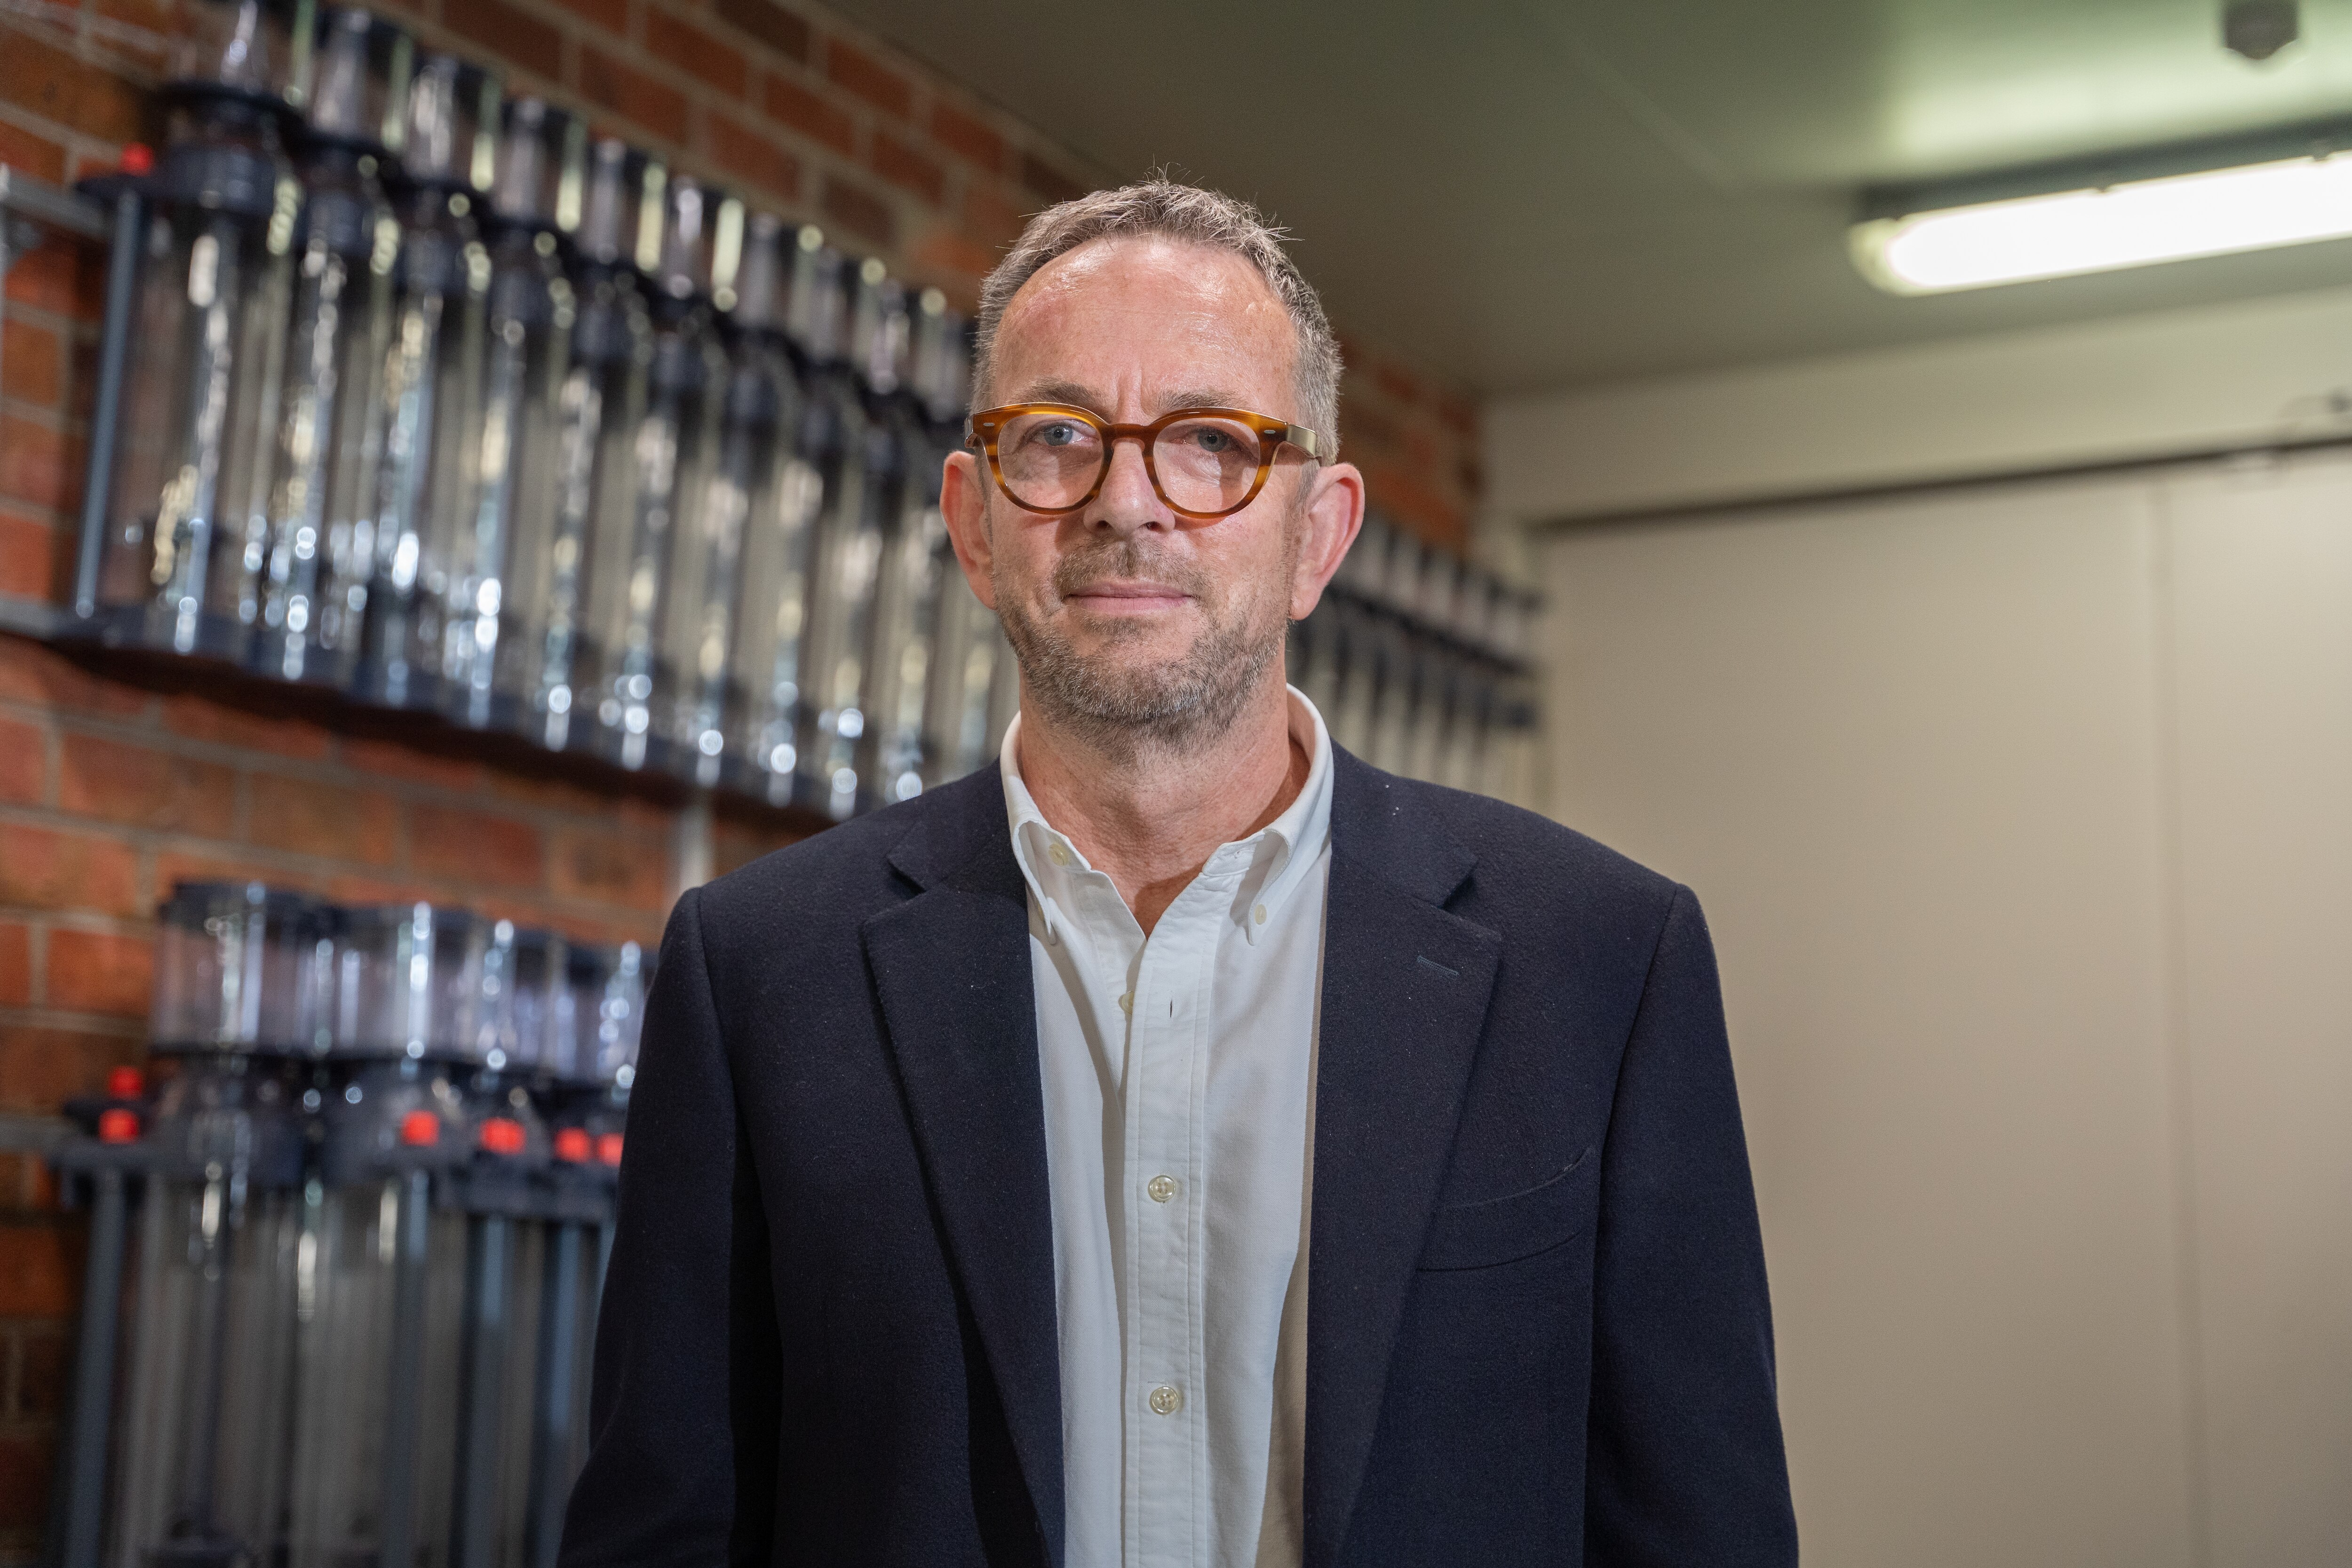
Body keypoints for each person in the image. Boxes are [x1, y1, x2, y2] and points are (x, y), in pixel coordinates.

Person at [558, 181, 1796, 1568]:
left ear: (1317, 535)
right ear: (974, 523)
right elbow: (667, 1529)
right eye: (1059, 438)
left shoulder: (1603, 962)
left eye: (1211, 443)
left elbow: (1703, 1535)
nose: (1127, 503)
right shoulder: (760, 972)